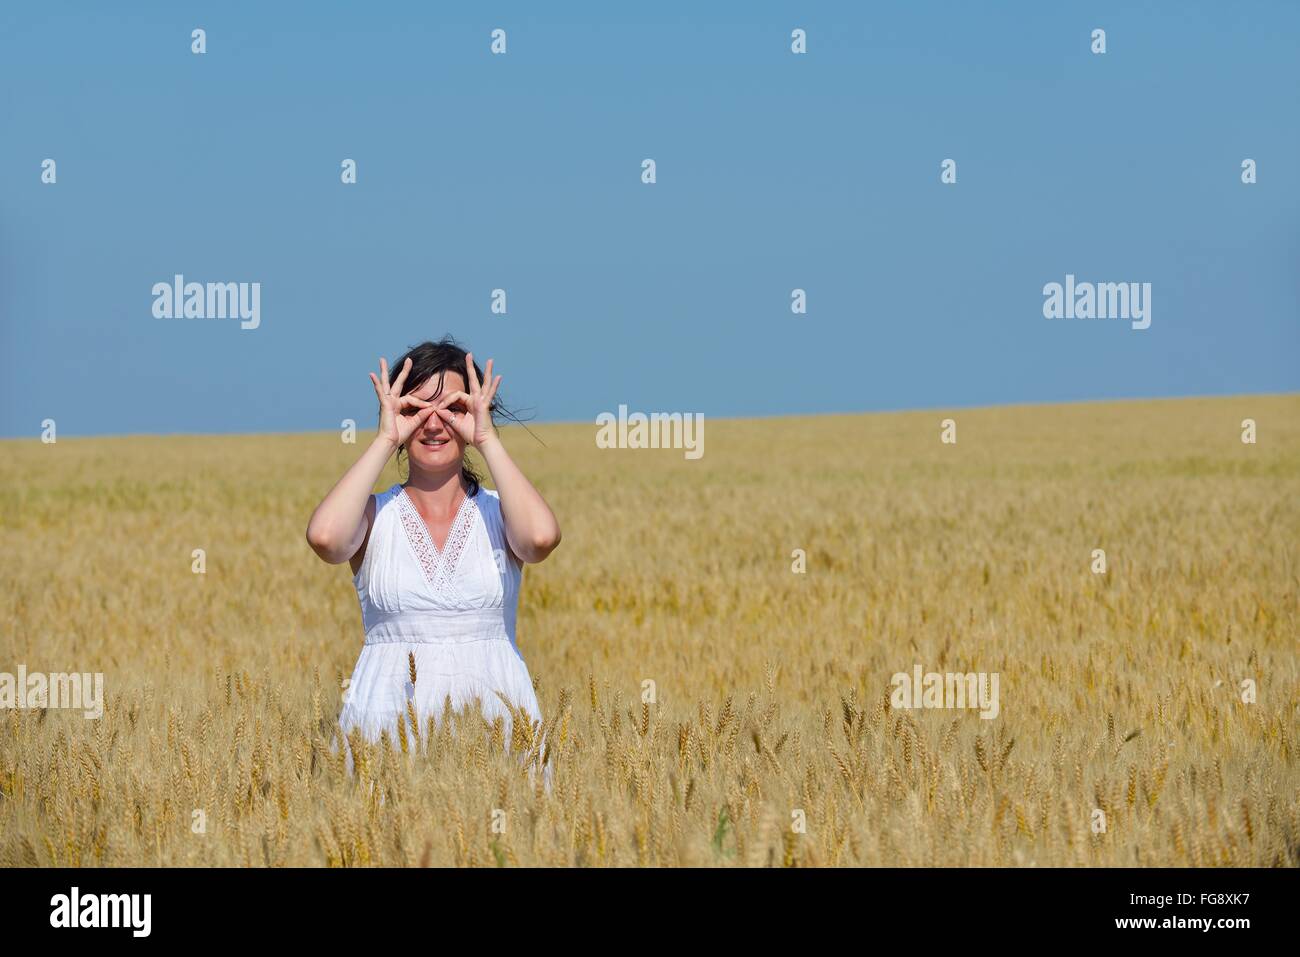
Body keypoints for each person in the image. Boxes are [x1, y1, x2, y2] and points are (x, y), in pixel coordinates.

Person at [306, 338, 560, 785]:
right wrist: (386, 438)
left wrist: (487, 439)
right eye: (416, 409)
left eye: (453, 409)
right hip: (385, 734)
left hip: (495, 731)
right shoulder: (375, 515)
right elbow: (326, 538)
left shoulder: (502, 514)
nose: (434, 424)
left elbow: (539, 539)